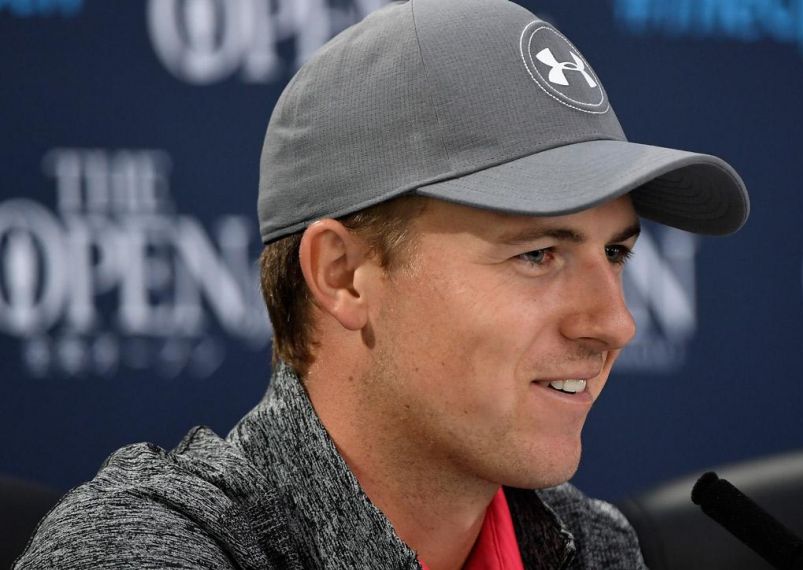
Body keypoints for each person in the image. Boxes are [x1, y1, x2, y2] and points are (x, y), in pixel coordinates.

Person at [16, 0, 747, 568]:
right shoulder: (152, 551)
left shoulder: (591, 548)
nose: (614, 323)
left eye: (615, 254)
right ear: (344, 275)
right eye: (538, 254)